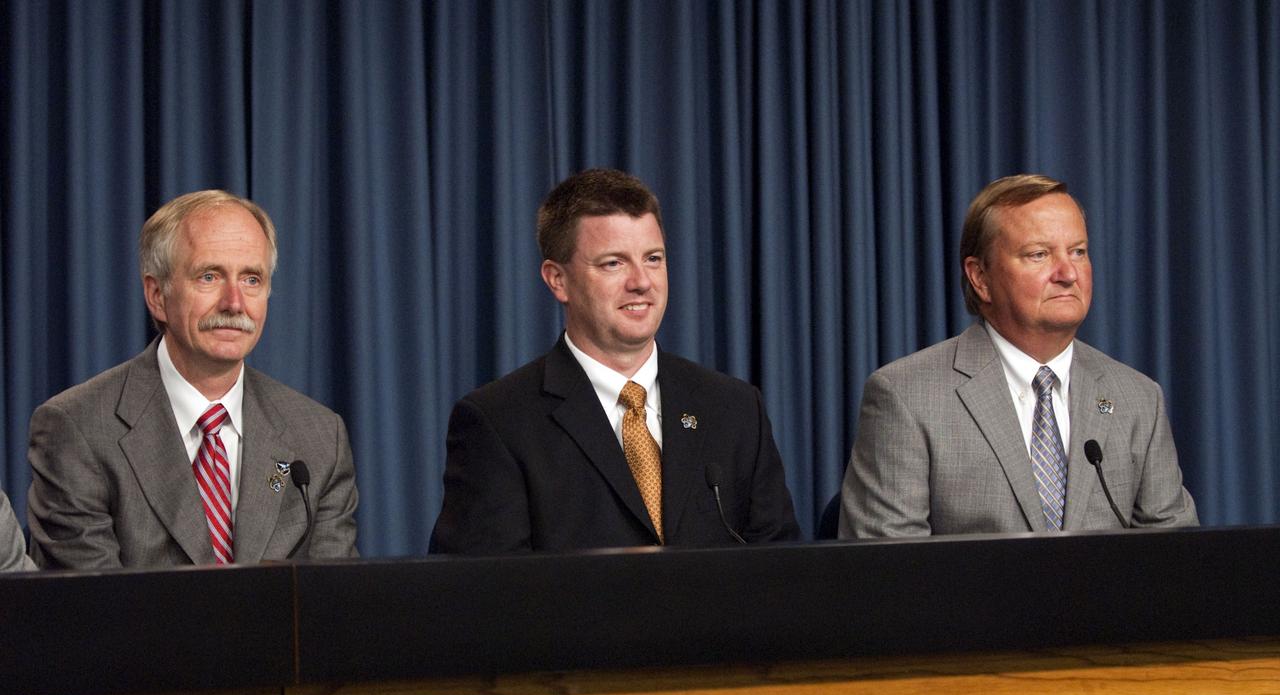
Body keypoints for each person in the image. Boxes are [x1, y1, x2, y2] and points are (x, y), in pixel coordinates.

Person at [433, 168, 800, 553]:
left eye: (653, 258)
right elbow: (480, 597)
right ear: (557, 279)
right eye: (614, 263)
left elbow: (782, 578)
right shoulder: (499, 423)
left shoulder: (735, 409)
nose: (642, 281)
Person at [839, 174, 1197, 537]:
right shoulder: (908, 397)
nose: (1068, 274)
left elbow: (1178, 562)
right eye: (1039, 255)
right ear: (980, 277)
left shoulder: (1137, 397)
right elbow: (886, 577)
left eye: (1078, 252)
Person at [28, 190, 358, 569]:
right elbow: (91, 612)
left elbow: (331, 607)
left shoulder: (317, 438)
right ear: (157, 295)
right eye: (209, 276)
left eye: (252, 279)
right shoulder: (78, 430)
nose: (234, 303)